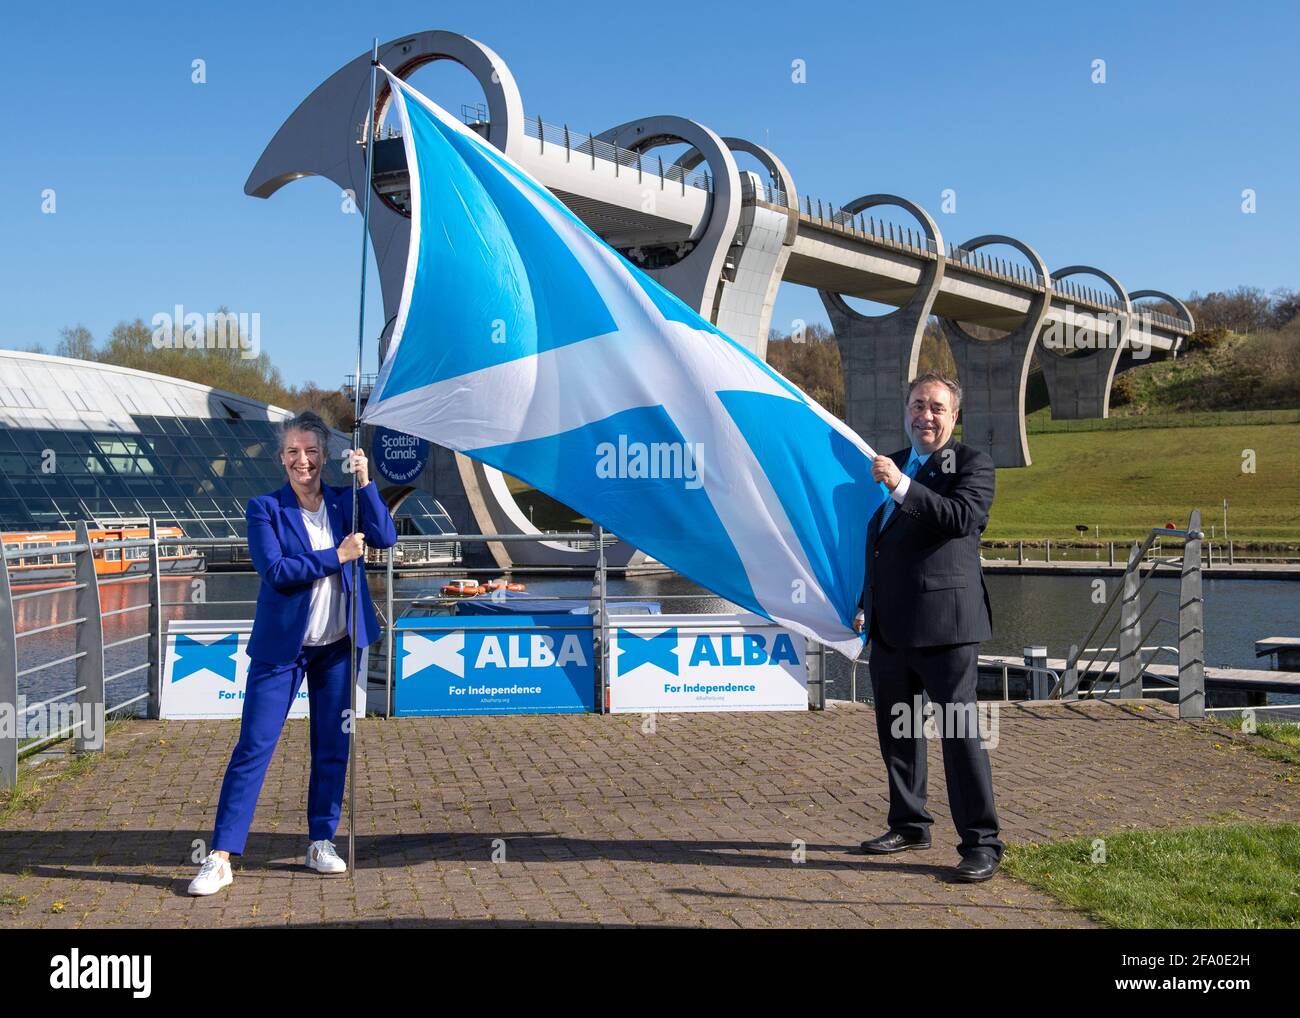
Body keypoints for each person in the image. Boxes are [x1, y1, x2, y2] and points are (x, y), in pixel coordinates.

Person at [188, 411, 398, 895]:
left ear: (325, 457)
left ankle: (321, 841)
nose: (302, 460)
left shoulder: (348, 502)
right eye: (292, 452)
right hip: (283, 650)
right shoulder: (264, 508)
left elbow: (385, 537)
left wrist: (365, 482)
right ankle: (220, 856)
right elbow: (277, 571)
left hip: (339, 649)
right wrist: (337, 556)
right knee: (254, 746)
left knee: (332, 747)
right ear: (282, 458)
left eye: (310, 452)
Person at [852, 372, 1003, 882]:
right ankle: (910, 823)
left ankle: (981, 844)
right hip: (890, 628)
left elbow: (959, 517)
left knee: (960, 737)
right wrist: (863, 601)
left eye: (937, 407)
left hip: (947, 628)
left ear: (954, 416)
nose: (926, 416)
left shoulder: (973, 465)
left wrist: (901, 484)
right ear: (907, 410)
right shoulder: (889, 463)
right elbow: (879, 543)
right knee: (898, 733)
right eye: (918, 405)